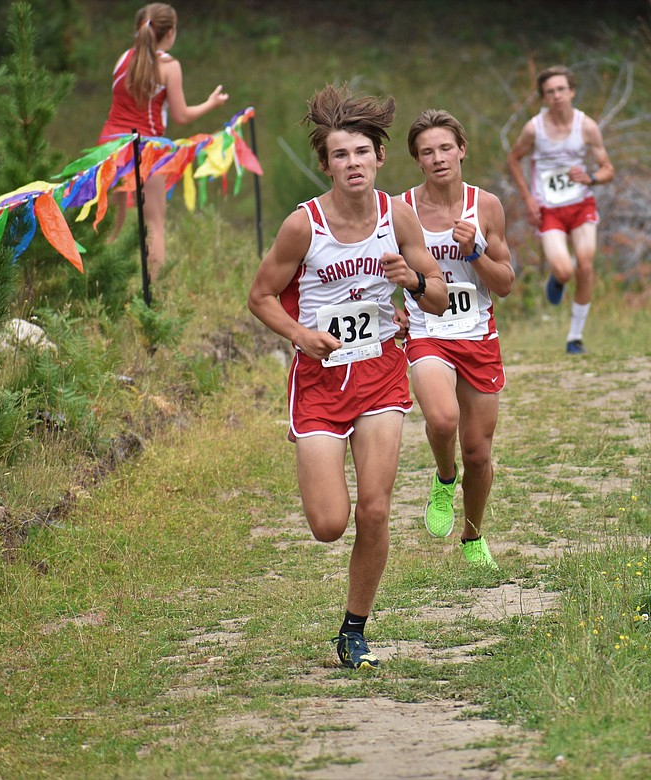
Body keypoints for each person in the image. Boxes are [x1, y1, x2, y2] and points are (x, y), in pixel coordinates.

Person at [246, 85, 447, 670]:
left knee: (376, 511)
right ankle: (324, 491)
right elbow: (260, 297)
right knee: (330, 525)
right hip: (318, 380)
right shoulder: (302, 226)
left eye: (362, 152)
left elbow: (436, 296)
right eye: (340, 155)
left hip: (382, 372)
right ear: (326, 164)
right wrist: (299, 335)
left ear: (380, 158)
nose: (353, 163)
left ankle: (354, 630)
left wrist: (410, 280)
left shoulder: (397, 216)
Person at [398, 110, 514, 569]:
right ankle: (445, 481)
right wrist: (390, 306)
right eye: (427, 152)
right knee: (442, 421)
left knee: (479, 452)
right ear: (417, 160)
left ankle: (472, 535)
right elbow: (375, 267)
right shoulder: (400, 208)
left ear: (462, 149)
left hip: (477, 334)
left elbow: (504, 283)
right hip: (428, 330)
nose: (438, 158)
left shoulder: (486, 207)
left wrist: (476, 253)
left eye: (446, 148)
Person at [98, 3, 229, 277]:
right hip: (146, 149)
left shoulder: (123, 58)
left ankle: (98, 280)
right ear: (169, 34)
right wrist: (210, 103)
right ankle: (153, 293)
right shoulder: (170, 67)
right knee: (155, 224)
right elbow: (181, 115)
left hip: (110, 146)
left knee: (109, 223)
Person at [506, 65, 614, 355]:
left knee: (586, 263)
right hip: (549, 209)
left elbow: (608, 169)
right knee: (566, 270)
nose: (556, 96)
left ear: (572, 91)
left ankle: (575, 337)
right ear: (543, 97)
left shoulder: (587, 126)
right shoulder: (534, 128)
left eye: (561, 90)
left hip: (581, 205)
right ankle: (558, 278)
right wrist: (528, 199)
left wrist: (590, 178)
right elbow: (513, 159)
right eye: (550, 92)